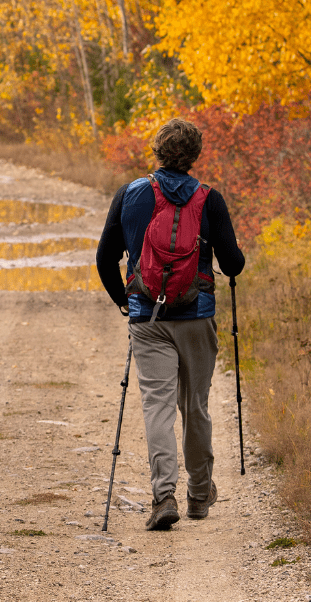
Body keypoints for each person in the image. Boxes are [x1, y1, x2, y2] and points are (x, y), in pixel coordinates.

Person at [96, 118, 245, 531]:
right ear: (194, 155)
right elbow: (232, 263)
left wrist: (123, 299)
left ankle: (164, 496)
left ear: (158, 150)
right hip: (197, 317)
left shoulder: (130, 194)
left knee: (157, 406)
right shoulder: (208, 198)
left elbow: (105, 258)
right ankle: (199, 494)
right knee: (194, 406)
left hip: (148, 317)